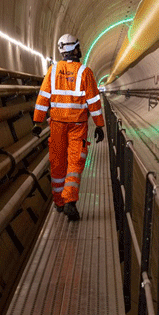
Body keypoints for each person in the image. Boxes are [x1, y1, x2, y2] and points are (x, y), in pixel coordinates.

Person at [32, 34, 105, 221]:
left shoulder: (53, 71)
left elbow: (43, 98)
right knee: (75, 163)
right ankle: (70, 201)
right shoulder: (85, 72)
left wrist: (37, 121)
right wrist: (99, 125)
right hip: (77, 126)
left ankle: (59, 202)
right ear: (75, 49)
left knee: (57, 162)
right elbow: (94, 102)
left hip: (57, 125)